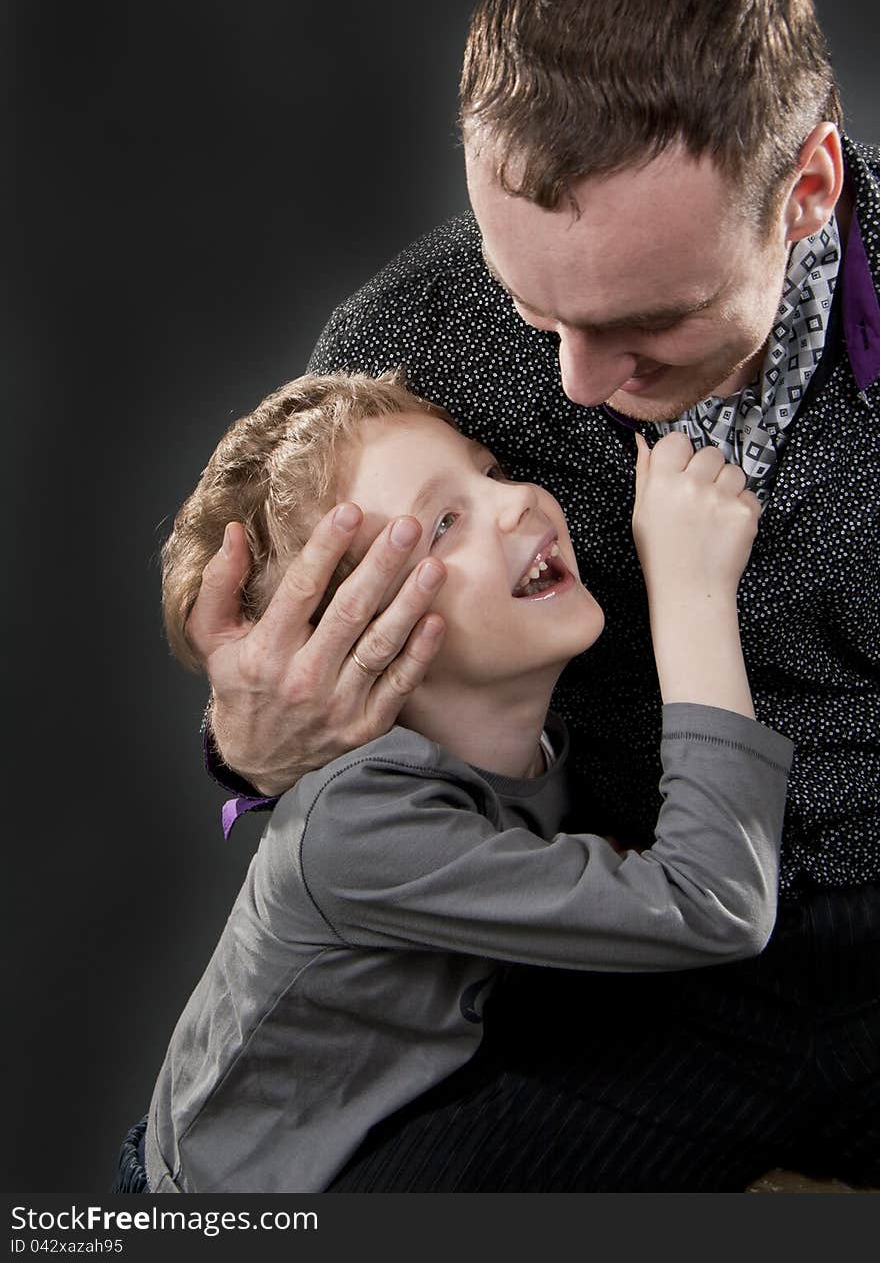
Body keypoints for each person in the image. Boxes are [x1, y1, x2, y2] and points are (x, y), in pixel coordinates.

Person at [184, 0, 880, 1190]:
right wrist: (246, 750)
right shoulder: (411, 343)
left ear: (808, 189)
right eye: (533, 305)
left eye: (646, 324)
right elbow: (317, 759)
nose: (567, 381)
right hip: (622, 955)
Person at [143, 369, 785, 1193]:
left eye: (487, 473)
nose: (517, 499)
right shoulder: (356, 828)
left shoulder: (541, 743)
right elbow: (715, 903)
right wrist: (694, 594)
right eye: (443, 524)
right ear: (348, 635)